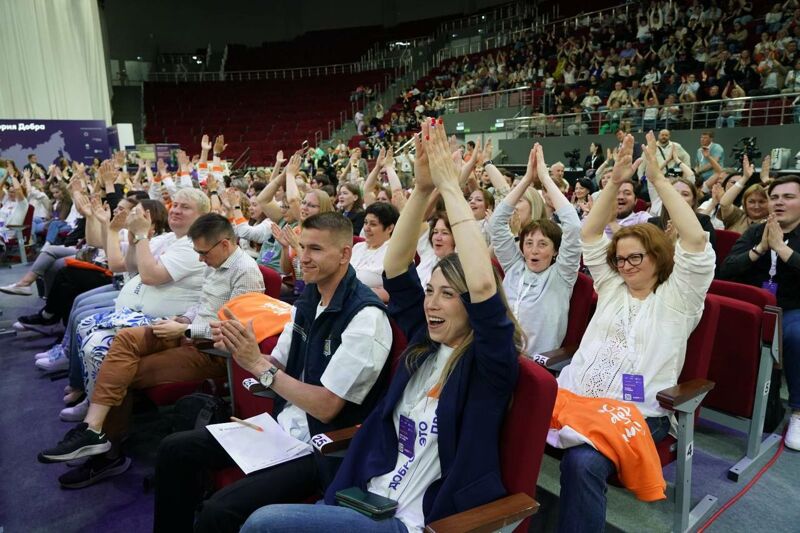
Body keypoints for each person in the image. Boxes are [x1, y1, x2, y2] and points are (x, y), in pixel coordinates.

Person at [239, 118, 523, 533]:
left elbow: (481, 283)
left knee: (263, 524)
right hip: (365, 496)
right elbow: (395, 267)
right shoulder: (426, 344)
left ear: (473, 308)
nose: (432, 303)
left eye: (447, 295)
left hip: (411, 522)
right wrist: (423, 188)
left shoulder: (489, 365)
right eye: (431, 291)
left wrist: (450, 187)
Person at [153, 212, 392, 532]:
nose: (302, 258)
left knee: (217, 511)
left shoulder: (365, 318)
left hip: (319, 448)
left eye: (316, 250)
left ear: (345, 254)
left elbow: (326, 406)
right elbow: (276, 363)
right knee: (174, 449)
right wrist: (240, 348)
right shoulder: (311, 298)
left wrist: (258, 365)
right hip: (282, 428)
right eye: (302, 247)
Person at [556, 132, 715, 531]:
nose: (625, 266)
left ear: (657, 257)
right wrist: (612, 183)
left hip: (638, 413)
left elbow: (696, 239)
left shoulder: (680, 297)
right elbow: (589, 235)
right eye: (620, 259)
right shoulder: (611, 287)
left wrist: (659, 180)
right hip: (576, 398)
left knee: (582, 462)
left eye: (635, 258)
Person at [38, 214, 266, 484]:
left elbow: (236, 334)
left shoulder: (247, 273)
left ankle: (108, 455)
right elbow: (204, 305)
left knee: (122, 370)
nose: (201, 259)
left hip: (213, 351)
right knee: (123, 342)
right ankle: (93, 429)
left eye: (204, 253)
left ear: (226, 245)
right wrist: (182, 319)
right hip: (188, 331)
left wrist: (185, 330)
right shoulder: (215, 260)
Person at [719, 175, 800, 450]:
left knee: (794, 335)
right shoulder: (756, 232)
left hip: (792, 309)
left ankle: (798, 412)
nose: (779, 202)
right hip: (756, 309)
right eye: (774, 197)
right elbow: (727, 269)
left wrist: (782, 249)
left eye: (788, 197)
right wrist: (761, 249)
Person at [490, 143, 581, 355]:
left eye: (542, 244)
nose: (534, 251)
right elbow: (497, 223)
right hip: (498, 353)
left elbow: (574, 226)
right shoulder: (514, 266)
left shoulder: (562, 275)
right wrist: (526, 180)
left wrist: (545, 178)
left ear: (556, 251)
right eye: (529, 244)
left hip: (535, 366)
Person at [349, 201, 399, 302]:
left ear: (389, 228)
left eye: (373, 224)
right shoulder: (357, 247)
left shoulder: (395, 254)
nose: (366, 228)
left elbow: (395, 293)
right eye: (365, 222)